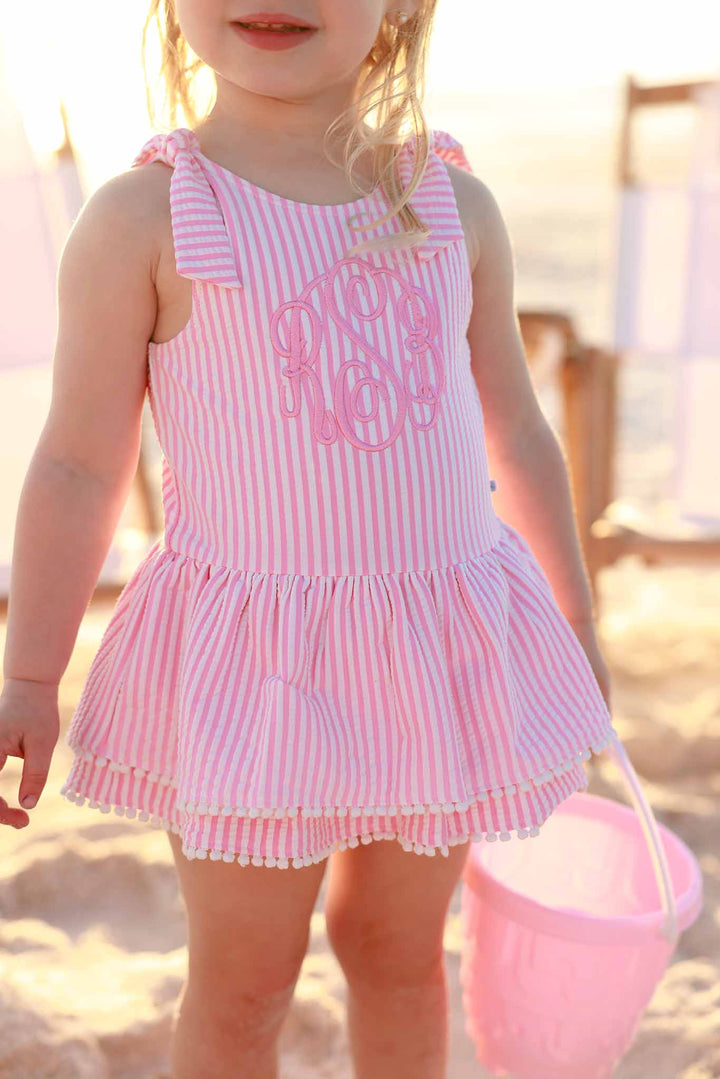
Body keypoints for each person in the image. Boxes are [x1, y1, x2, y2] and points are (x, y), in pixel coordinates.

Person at [0, 2, 618, 1076]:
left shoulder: (448, 203)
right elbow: (76, 465)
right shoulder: (147, 217)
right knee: (244, 982)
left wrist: (574, 618)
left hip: (434, 651)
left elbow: (516, 427)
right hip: (253, 668)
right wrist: (31, 674)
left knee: (396, 952)